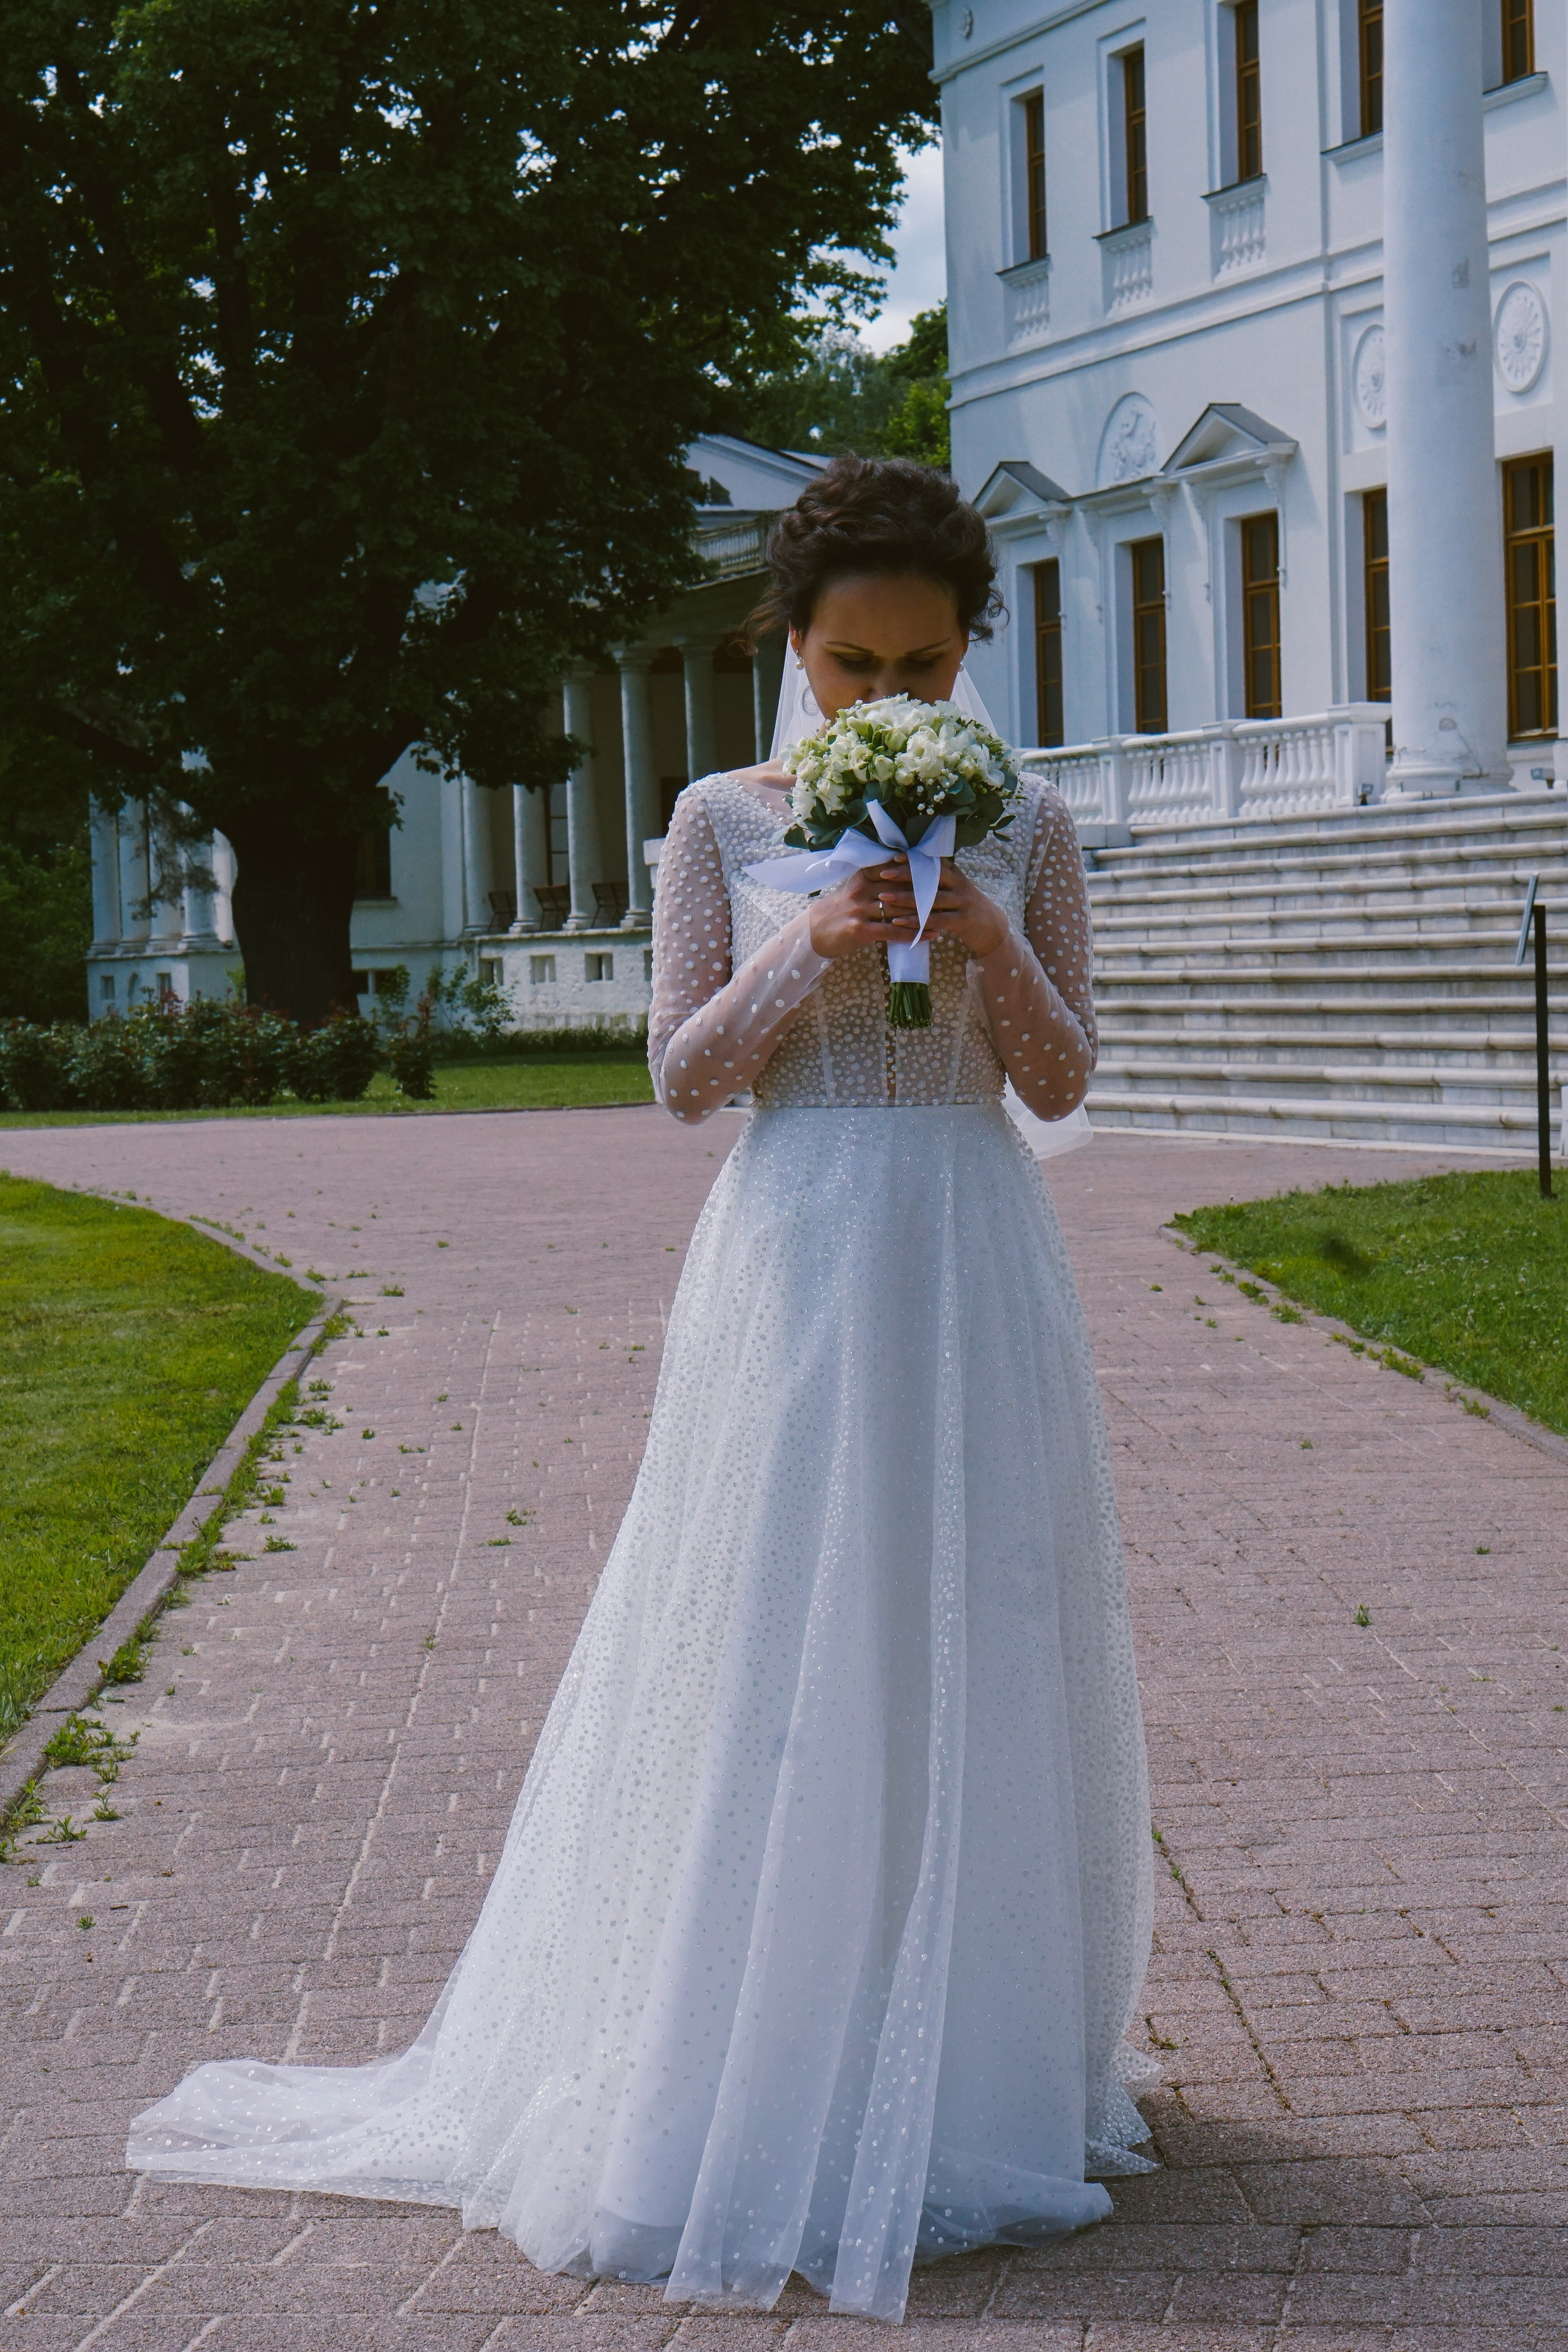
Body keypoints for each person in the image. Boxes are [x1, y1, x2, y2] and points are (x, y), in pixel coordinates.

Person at [126, 454, 1156, 2324]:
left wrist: (989, 937)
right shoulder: (714, 816)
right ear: (797, 646)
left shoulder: (1034, 820)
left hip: (974, 1253)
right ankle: (747, 2052)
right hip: (805, 1249)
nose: (895, 705)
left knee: (976, 1621)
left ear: (971, 653)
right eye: (858, 667)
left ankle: (982, 2058)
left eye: (928, 667)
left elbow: (1068, 1084)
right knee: (781, 1633)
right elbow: (684, 1077)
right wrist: (809, 943)